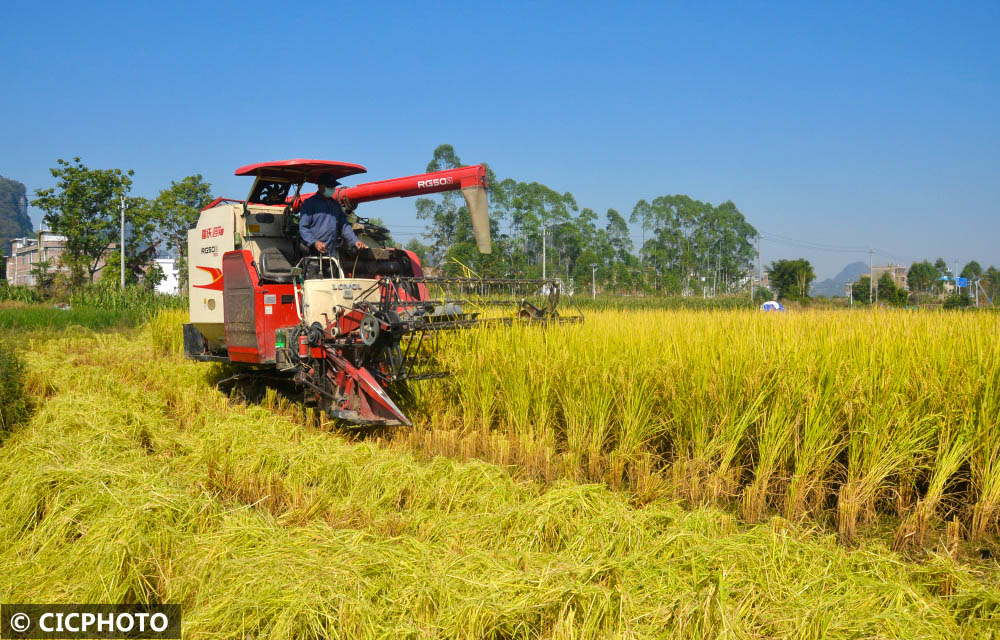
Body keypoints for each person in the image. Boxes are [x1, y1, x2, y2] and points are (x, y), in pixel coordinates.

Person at [299, 173, 367, 257]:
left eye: (333, 187)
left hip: (332, 253)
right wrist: (314, 242)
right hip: (313, 254)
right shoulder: (309, 203)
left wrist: (355, 241)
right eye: (330, 187)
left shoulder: (335, 205)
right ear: (320, 187)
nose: (332, 189)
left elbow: (344, 226)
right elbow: (303, 228)